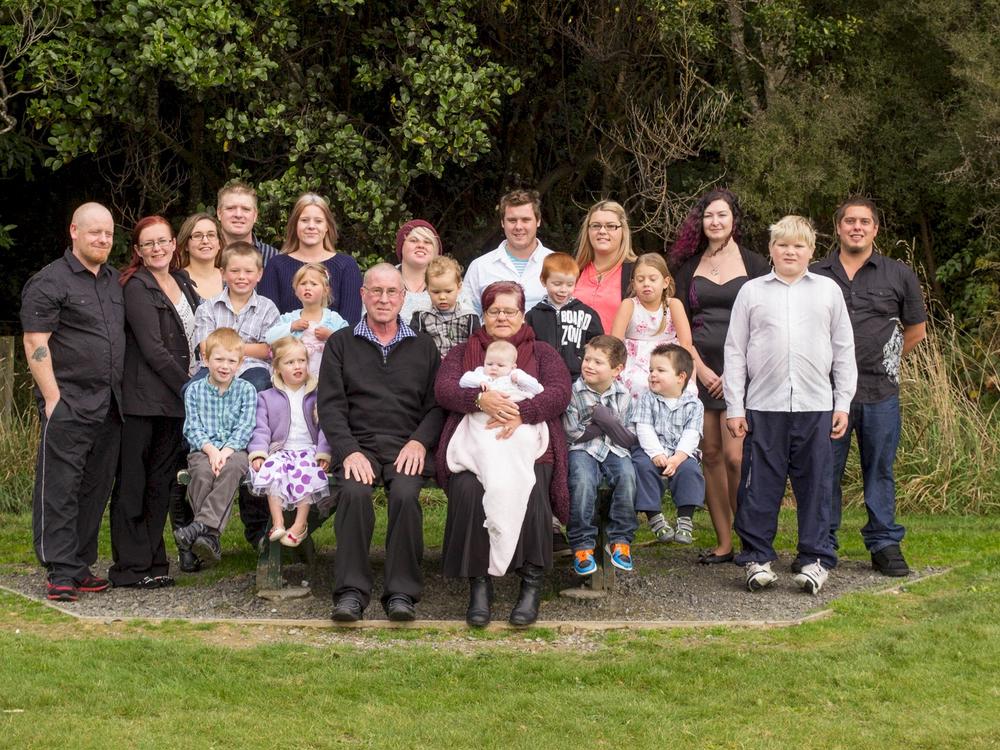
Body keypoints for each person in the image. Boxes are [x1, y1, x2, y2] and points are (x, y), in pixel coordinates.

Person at [724, 215, 856, 595]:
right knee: (759, 487)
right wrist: (735, 406)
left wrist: (842, 402)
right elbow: (735, 351)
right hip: (764, 406)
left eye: (798, 246)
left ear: (811, 251)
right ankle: (757, 559)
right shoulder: (752, 292)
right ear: (771, 249)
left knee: (816, 485)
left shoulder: (828, 290)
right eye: (782, 245)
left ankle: (815, 560)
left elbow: (843, 349)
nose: (790, 252)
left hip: (816, 404)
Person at [436, 281, 572, 628]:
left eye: (509, 311)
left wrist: (521, 412)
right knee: (468, 488)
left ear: (522, 314)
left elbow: (559, 392)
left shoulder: (542, 353)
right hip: (475, 443)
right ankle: (479, 585)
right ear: (483, 314)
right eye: (494, 310)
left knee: (532, 486)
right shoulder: (464, 352)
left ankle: (531, 582)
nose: (502, 317)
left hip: (529, 443)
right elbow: (445, 388)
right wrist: (479, 400)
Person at [317, 263, 443, 623]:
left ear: (403, 297)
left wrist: (420, 443)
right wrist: (348, 450)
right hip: (359, 446)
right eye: (376, 291)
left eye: (391, 292)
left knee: (404, 494)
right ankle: (351, 594)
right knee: (354, 493)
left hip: (406, 446)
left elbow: (436, 406)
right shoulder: (341, 343)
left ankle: (401, 594)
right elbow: (330, 406)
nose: (384, 299)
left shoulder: (423, 345)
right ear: (363, 295)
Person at [811, 197, 927, 576]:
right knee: (825, 469)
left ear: (875, 229)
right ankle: (821, 545)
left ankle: (883, 544)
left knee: (879, 468)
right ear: (838, 227)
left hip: (880, 391)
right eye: (849, 221)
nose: (856, 227)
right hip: (827, 393)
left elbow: (916, 330)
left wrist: (887, 359)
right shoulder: (815, 275)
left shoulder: (898, 274)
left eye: (864, 222)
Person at [21, 202, 125, 602]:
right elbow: (35, 341)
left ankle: (80, 565)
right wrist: (53, 399)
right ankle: (60, 570)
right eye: (95, 232)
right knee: (60, 488)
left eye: (108, 233)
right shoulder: (50, 281)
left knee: (94, 490)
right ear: (74, 231)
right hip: (68, 402)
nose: (103, 239)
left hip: (109, 404)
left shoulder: (113, 280)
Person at [670, 189, 770, 565]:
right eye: (709, 215)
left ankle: (751, 539)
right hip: (700, 369)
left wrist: (733, 372)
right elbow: (680, 325)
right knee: (710, 454)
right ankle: (724, 543)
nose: (715, 222)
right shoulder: (687, 268)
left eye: (722, 215)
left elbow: (765, 321)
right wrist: (698, 367)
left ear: (734, 220)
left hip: (741, 370)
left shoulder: (755, 264)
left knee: (734, 456)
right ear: (701, 222)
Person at [109, 216, 200, 589]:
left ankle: (154, 562)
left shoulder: (182, 282)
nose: (157, 248)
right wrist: (192, 390)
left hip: (173, 404)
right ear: (138, 250)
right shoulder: (136, 286)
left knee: (160, 483)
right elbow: (154, 350)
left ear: (174, 244)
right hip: (142, 402)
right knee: (133, 483)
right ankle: (130, 567)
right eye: (149, 243)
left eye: (163, 241)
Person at [447, 340, 548, 576]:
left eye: (500, 365)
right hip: (484, 424)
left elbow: (540, 391)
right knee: (486, 452)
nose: (493, 368)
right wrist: (479, 390)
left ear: (513, 366)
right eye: (489, 363)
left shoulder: (518, 376)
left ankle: (506, 513)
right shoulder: (480, 374)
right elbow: (459, 383)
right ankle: (494, 486)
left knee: (523, 443)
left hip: (515, 419)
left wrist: (519, 384)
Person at [174, 328, 256, 566]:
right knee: (201, 474)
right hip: (202, 450)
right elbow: (192, 427)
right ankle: (210, 537)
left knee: (232, 469)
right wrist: (211, 451)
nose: (225, 366)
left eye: (231, 361)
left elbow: (246, 426)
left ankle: (199, 528)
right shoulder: (194, 390)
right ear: (206, 359)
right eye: (219, 359)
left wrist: (226, 452)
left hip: (235, 451)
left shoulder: (247, 390)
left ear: (240, 363)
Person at [563, 336, 638, 576]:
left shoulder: (624, 395)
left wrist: (605, 422)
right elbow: (572, 432)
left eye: (598, 362)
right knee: (582, 482)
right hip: (582, 449)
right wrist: (605, 423)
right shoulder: (572, 392)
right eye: (587, 359)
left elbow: (629, 437)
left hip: (615, 449)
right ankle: (582, 545)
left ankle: (621, 540)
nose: (589, 366)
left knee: (627, 477)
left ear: (617, 369)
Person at [249, 337, 332, 548]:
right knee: (272, 471)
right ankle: (278, 523)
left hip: (309, 449)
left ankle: (300, 524)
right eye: (290, 362)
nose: (297, 366)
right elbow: (261, 428)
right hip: (281, 449)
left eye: (301, 361)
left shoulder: (316, 395)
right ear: (277, 368)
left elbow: (326, 427)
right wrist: (259, 453)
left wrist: (324, 453)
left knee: (306, 472)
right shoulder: (266, 397)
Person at [630, 344, 706, 550]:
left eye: (660, 370)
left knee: (690, 471)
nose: (652, 375)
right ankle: (654, 517)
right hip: (649, 450)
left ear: (681, 377)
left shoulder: (694, 404)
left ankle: (685, 519)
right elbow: (644, 428)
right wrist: (656, 453)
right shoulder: (647, 399)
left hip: (680, 452)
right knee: (642, 467)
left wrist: (678, 457)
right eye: (651, 370)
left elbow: (692, 434)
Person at [258, 192, 363, 325]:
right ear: (295, 225)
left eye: (318, 221)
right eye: (304, 220)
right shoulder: (276, 265)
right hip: (285, 338)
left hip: (335, 339)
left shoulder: (346, 266)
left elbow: (350, 324)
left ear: (327, 227)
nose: (311, 226)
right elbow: (268, 321)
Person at [192, 241, 279, 393]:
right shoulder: (208, 308)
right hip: (213, 367)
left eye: (248, 271)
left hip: (253, 367)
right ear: (223, 274)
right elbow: (206, 348)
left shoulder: (268, 308)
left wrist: (226, 348)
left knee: (258, 384)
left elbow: (268, 350)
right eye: (234, 271)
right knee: (191, 389)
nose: (241, 277)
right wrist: (243, 349)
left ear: (259, 274)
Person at [612, 253, 695, 403]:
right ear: (633, 284)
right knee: (640, 384)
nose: (646, 283)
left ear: (665, 282)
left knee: (686, 388)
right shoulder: (629, 305)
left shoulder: (673, 305)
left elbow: (686, 344)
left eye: (652, 279)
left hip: (669, 362)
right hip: (635, 363)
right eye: (640, 279)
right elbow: (615, 343)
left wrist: (687, 371)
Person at [460, 189, 554, 316]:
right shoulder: (480, 267)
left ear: (538, 221)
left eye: (525, 220)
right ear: (502, 223)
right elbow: (466, 316)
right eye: (512, 220)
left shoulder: (558, 264)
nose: (518, 227)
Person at [524, 252, 604, 381]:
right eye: (557, 284)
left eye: (570, 285)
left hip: (579, 378)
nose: (563, 290)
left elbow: (599, 345)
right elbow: (527, 348)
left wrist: (582, 360)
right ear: (543, 281)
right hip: (544, 377)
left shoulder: (588, 314)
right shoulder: (533, 316)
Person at [265, 262, 348, 377]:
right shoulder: (289, 318)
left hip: (326, 377)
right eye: (303, 283)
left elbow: (347, 344)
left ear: (325, 290)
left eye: (314, 284)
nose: (307, 287)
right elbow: (269, 338)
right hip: (293, 379)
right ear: (296, 290)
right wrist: (291, 327)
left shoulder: (334, 319)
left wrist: (330, 336)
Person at [573, 200, 638, 332]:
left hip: (618, 345)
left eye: (611, 226)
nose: (602, 231)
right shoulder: (574, 270)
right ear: (588, 231)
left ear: (623, 231)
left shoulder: (636, 271)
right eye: (596, 226)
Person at [409, 255, 480, 358]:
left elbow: (476, 346)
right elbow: (415, 344)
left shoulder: (469, 316)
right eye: (436, 292)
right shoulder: (421, 315)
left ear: (459, 287)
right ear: (427, 289)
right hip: (432, 363)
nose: (442, 297)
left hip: (461, 363)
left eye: (448, 291)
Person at [216, 179, 278, 266]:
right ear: (219, 213)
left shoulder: (275, 258)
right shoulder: (204, 254)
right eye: (230, 208)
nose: (238, 215)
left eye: (246, 209)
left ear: (255, 216)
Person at [396, 218, 441, 321]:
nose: (421, 245)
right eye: (413, 240)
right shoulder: (382, 280)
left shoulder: (451, 284)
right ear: (401, 246)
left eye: (427, 242)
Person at [177, 212, 224, 301]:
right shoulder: (176, 281)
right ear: (186, 245)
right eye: (197, 236)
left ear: (219, 244)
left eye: (211, 235)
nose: (205, 241)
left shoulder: (231, 278)